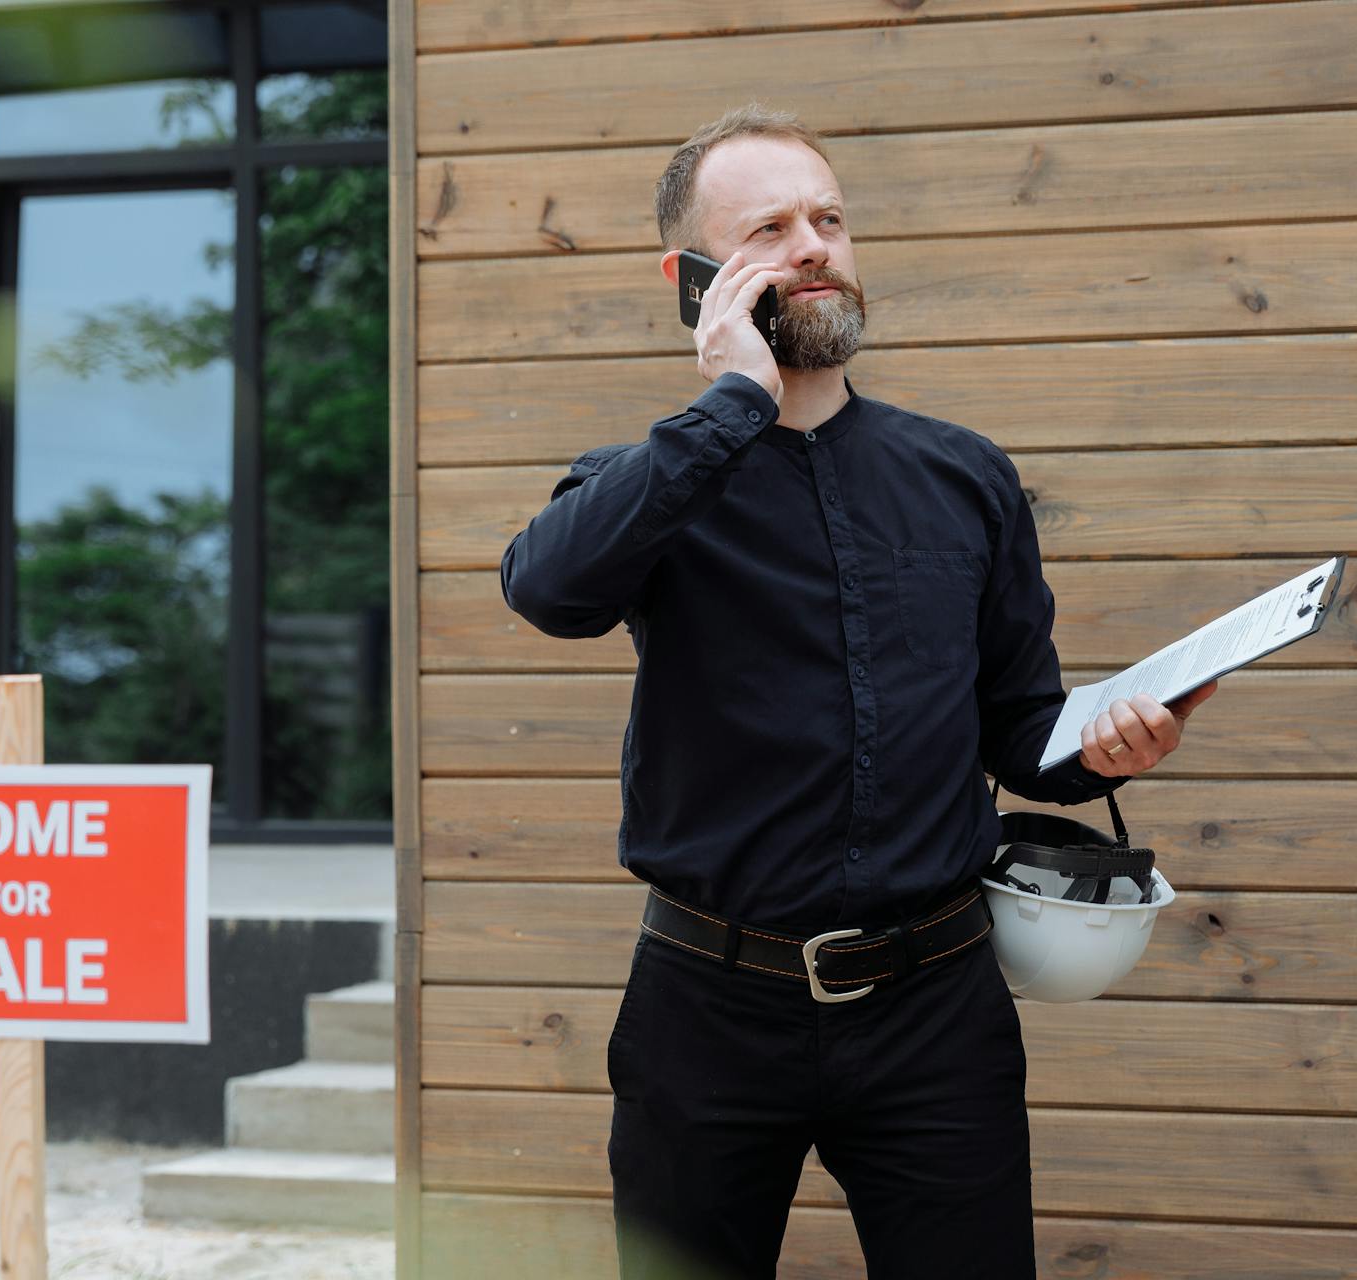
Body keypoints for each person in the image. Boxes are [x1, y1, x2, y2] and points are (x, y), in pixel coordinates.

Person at [500, 104, 1216, 1280]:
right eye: (771, 227)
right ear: (696, 277)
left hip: (936, 1006)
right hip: (707, 1006)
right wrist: (731, 401)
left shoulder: (965, 476)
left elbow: (1021, 733)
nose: (815, 245)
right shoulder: (645, 486)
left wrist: (1109, 747)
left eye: (829, 218)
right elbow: (549, 590)